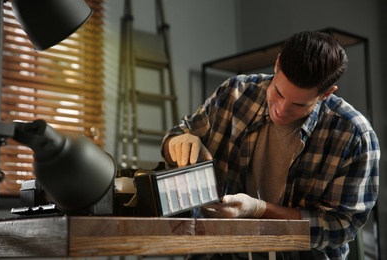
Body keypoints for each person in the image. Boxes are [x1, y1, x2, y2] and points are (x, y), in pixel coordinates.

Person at [161, 31, 380, 259]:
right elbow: (176, 136)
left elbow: (339, 228)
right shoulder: (235, 93)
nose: (281, 110)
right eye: (277, 92)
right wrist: (177, 141)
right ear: (277, 64)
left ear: (326, 94)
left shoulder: (353, 136)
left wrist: (258, 209)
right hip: (218, 252)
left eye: (298, 104)